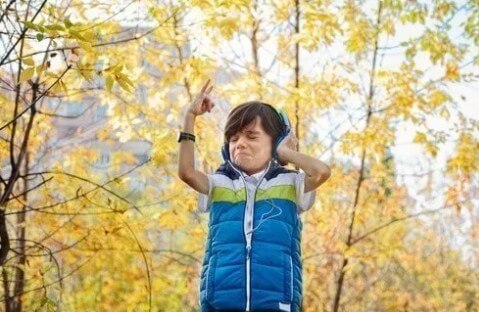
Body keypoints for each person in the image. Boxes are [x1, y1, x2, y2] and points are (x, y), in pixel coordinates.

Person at [178, 79, 331, 312]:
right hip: (220, 303)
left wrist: (285, 152)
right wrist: (190, 117)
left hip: (277, 303)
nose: (240, 144)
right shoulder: (219, 183)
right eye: (234, 138)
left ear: (276, 143)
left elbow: (321, 172)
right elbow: (187, 173)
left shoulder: (290, 183)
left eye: (251, 136)